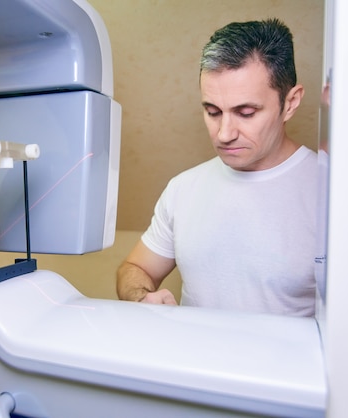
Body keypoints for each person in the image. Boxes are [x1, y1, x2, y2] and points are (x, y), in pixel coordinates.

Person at [116, 18, 318, 317]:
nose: (224, 134)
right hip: (192, 362)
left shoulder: (334, 191)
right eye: (212, 112)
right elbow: (134, 268)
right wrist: (141, 298)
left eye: (246, 113)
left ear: (290, 102)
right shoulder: (183, 188)